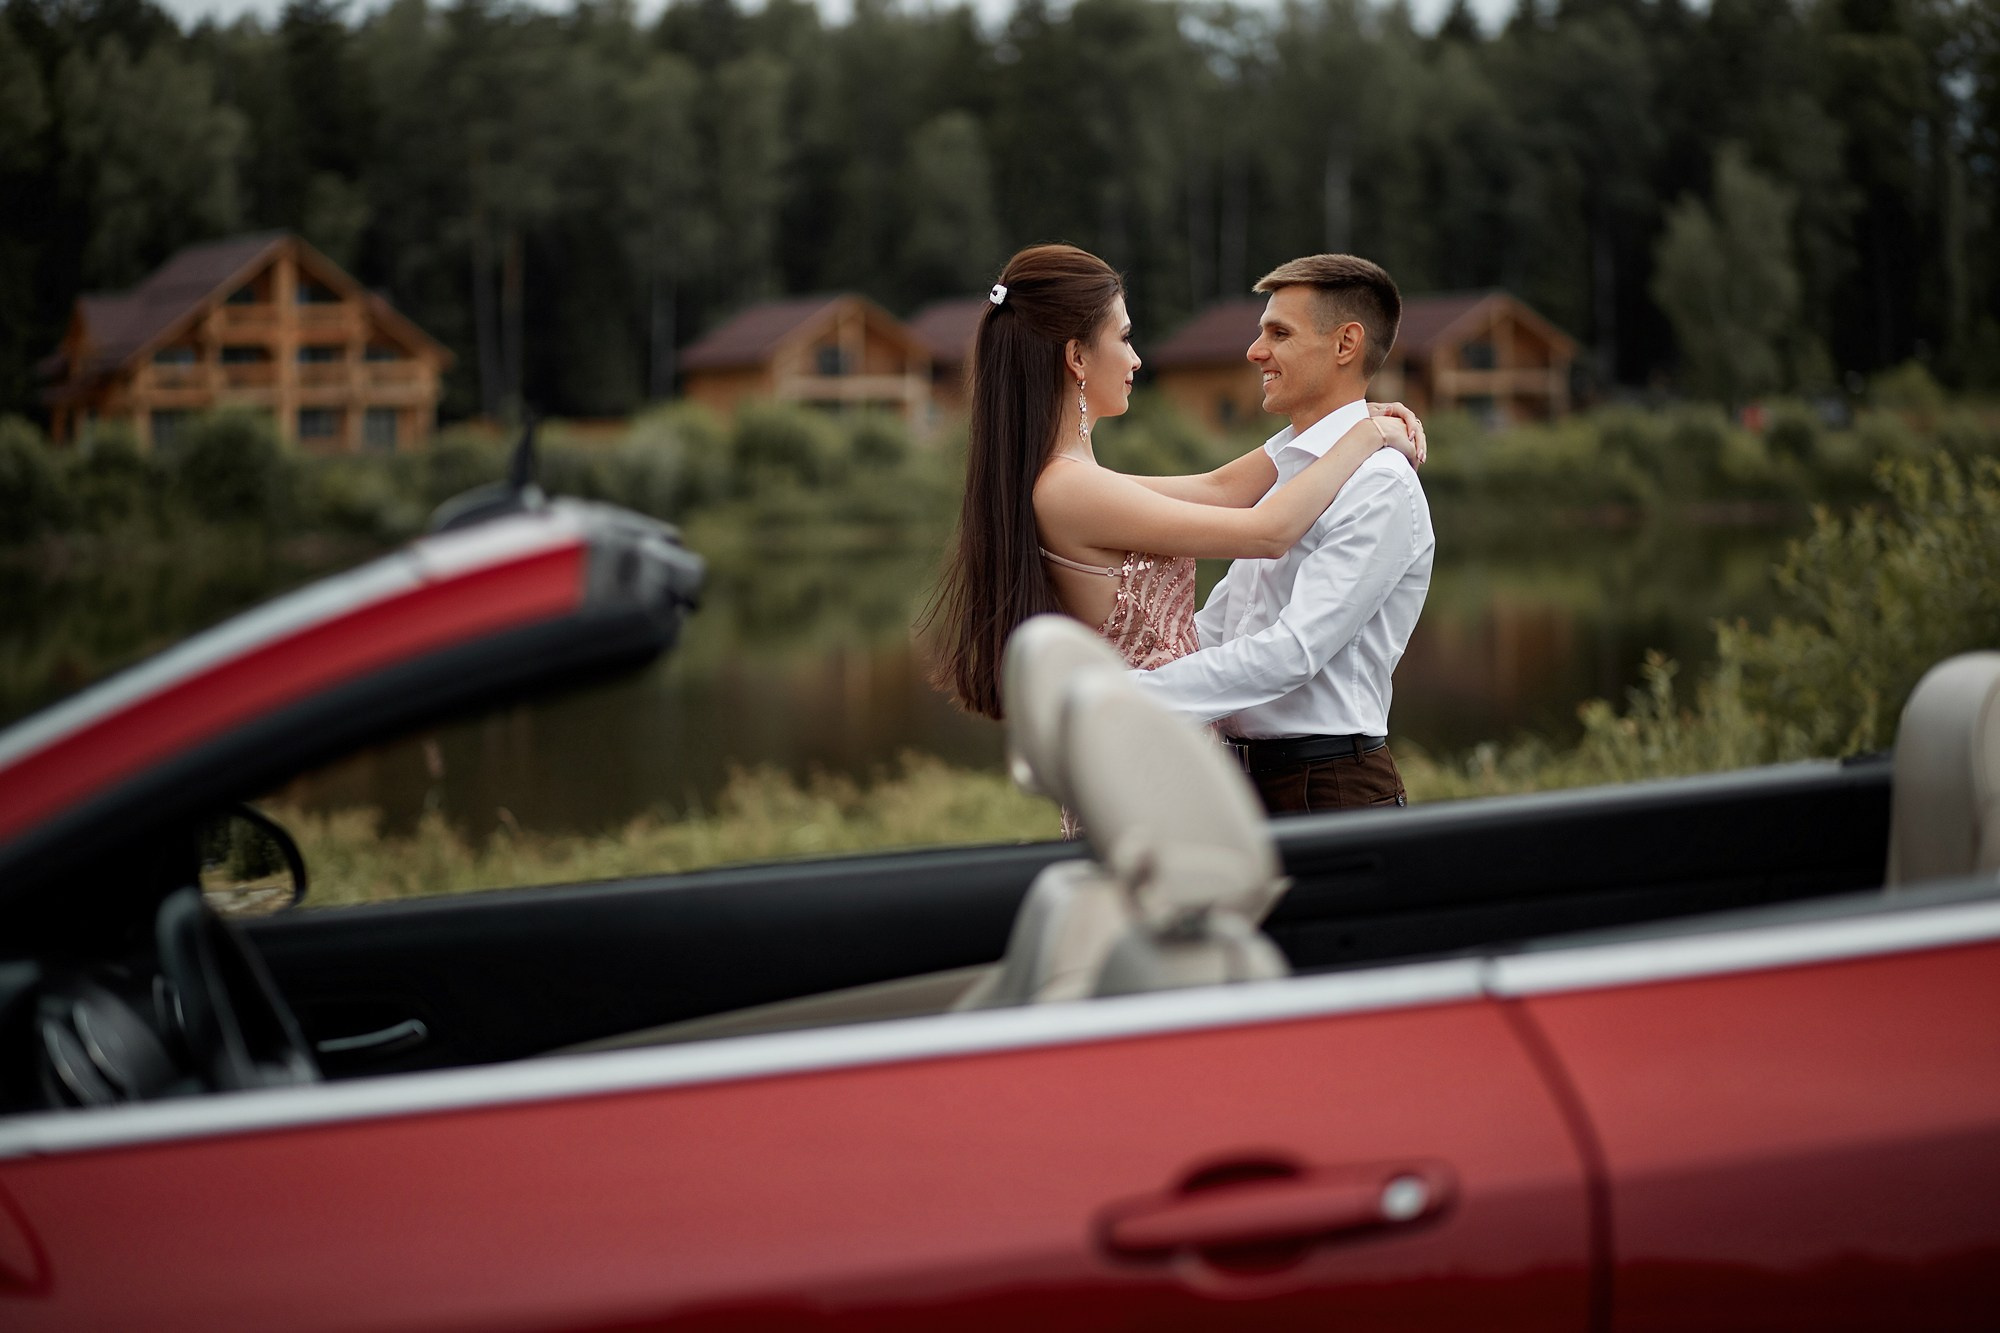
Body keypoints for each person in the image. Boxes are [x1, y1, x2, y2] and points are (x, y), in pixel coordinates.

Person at [924, 243, 1424, 830]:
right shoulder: (1071, 489)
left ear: (1345, 345)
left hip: (1237, 769)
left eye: (1280, 334)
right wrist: (1362, 435)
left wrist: (1351, 427)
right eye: (1126, 337)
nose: (1137, 359)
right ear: (1077, 359)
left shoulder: (1078, 483)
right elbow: (1265, 531)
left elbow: (1219, 490)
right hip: (1153, 769)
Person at [1131, 254, 1435, 816]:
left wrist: (1129, 700)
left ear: (1346, 344)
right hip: (1241, 785)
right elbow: (1220, 628)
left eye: (1279, 333)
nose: (1254, 351)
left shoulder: (1380, 484)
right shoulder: (1290, 474)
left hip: (1328, 789)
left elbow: (1292, 653)